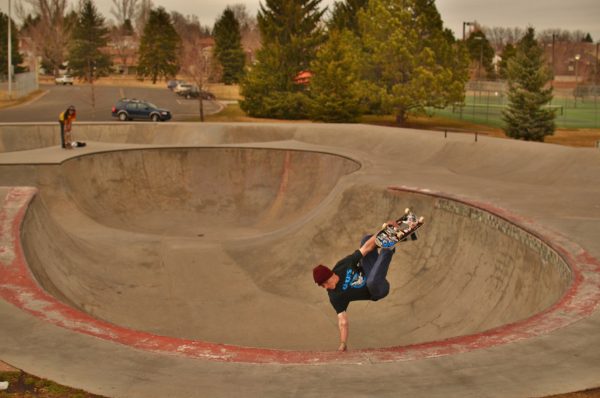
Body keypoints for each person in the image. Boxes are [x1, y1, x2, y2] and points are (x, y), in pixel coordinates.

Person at [313, 221, 400, 352]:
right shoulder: (335, 296)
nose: (325, 288)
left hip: (372, 271)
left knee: (366, 240)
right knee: (371, 282)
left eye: (324, 284)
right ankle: (389, 248)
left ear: (329, 275)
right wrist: (343, 343)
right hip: (378, 290)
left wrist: (385, 231)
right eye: (322, 286)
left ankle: (389, 236)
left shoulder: (342, 265)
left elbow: (365, 248)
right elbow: (343, 322)